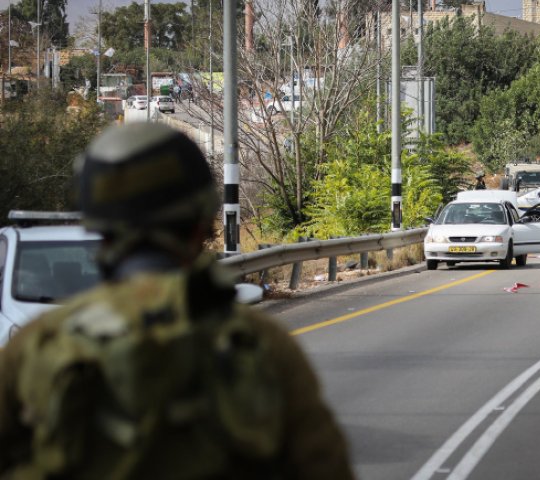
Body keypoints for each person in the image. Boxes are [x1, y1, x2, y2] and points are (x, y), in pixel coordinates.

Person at [0, 123, 355, 479]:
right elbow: (324, 465)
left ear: (97, 229)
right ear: (202, 226)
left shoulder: (36, 345)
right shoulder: (260, 344)